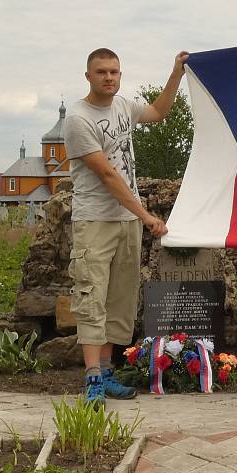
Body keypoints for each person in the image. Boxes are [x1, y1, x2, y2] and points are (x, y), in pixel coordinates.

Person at [63, 47, 188, 407]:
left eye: (115, 72)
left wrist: (176, 72)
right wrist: (147, 216)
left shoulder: (124, 105)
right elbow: (107, 175)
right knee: (91, 298)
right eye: (101, 72)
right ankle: (91, 380)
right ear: (88, 76)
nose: (109, 78)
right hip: (95, 221)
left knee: (120, 299)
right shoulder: (78, 118)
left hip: (126, 222)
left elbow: (159, 112)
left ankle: (106, 372)